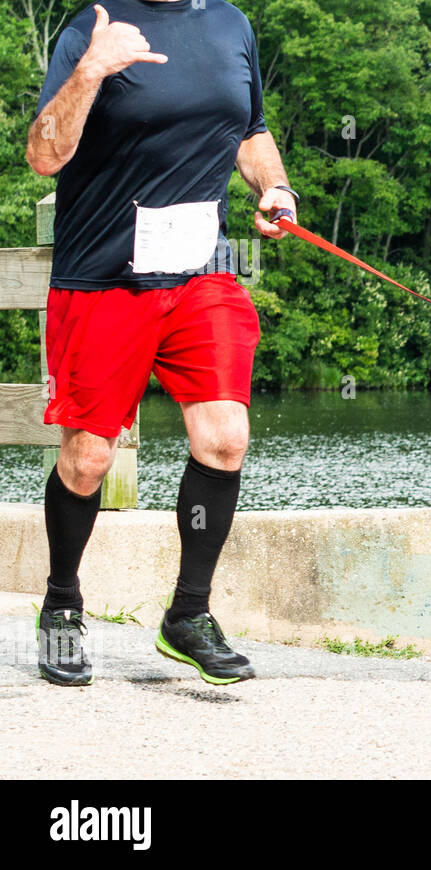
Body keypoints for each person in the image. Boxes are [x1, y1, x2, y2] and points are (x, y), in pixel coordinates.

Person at [26, 0, 298, 686]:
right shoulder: (95, 25)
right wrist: (92, 69)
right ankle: (62, 605)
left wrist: (276, 188)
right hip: (104, 279)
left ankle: (189, 615)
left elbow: (251, 131)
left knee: (225, 437)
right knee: (88, 458)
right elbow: (42, 154)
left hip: (201, 275)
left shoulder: (231, 24)